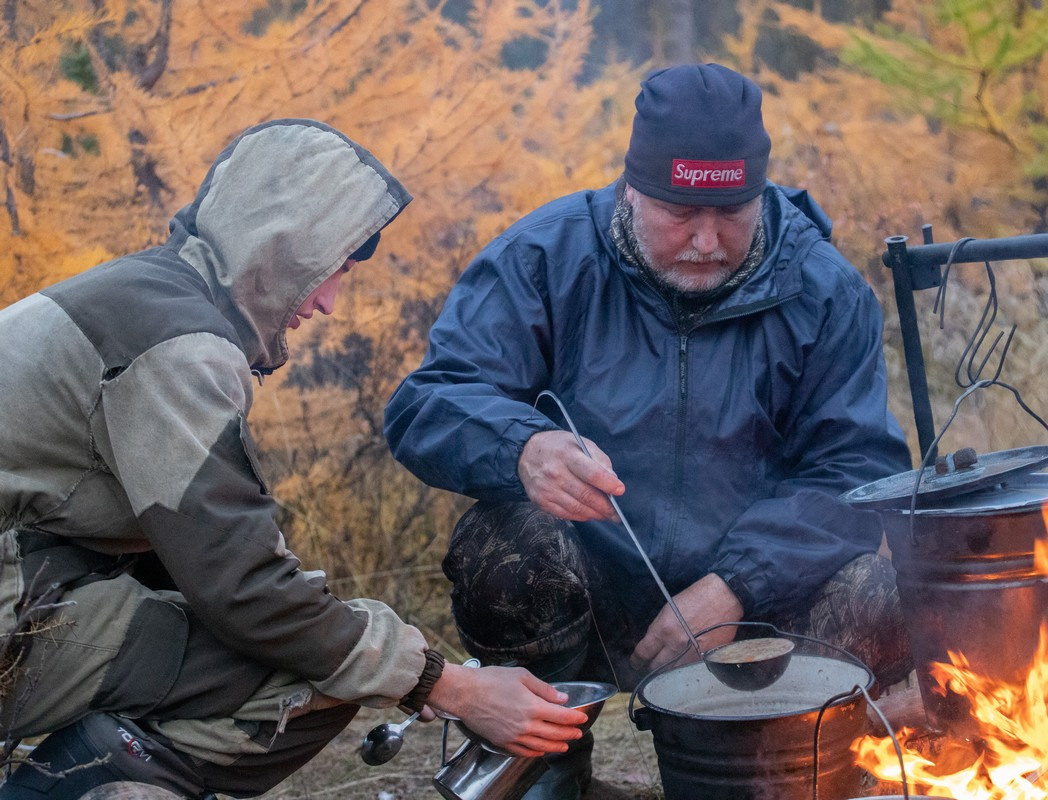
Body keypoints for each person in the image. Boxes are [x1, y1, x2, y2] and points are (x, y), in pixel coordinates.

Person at [0, 119, 587, 799]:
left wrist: (404, 664)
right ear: (278, 245)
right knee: (311, 676)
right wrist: (445, 684)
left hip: (30, 572)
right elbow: (244, 591)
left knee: (330, 647)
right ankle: (70, 789)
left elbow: (198, 561)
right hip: (17, 604)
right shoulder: (178, 348)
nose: (330, 302)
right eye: (330, 270)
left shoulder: (147, 297)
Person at [385, 64, 915, 798]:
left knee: (891, 588)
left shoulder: (824, 292)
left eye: (731, 212)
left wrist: (735, 585)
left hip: (757, 605)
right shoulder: (544, 259)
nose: (706, 239)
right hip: (595, 588)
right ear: (632, 187)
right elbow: (426, 404)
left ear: (760, 193)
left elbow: (856, 471)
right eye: (678, 212)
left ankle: (791, 772)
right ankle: (549, 775)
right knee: (504, 547)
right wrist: (522, 449)